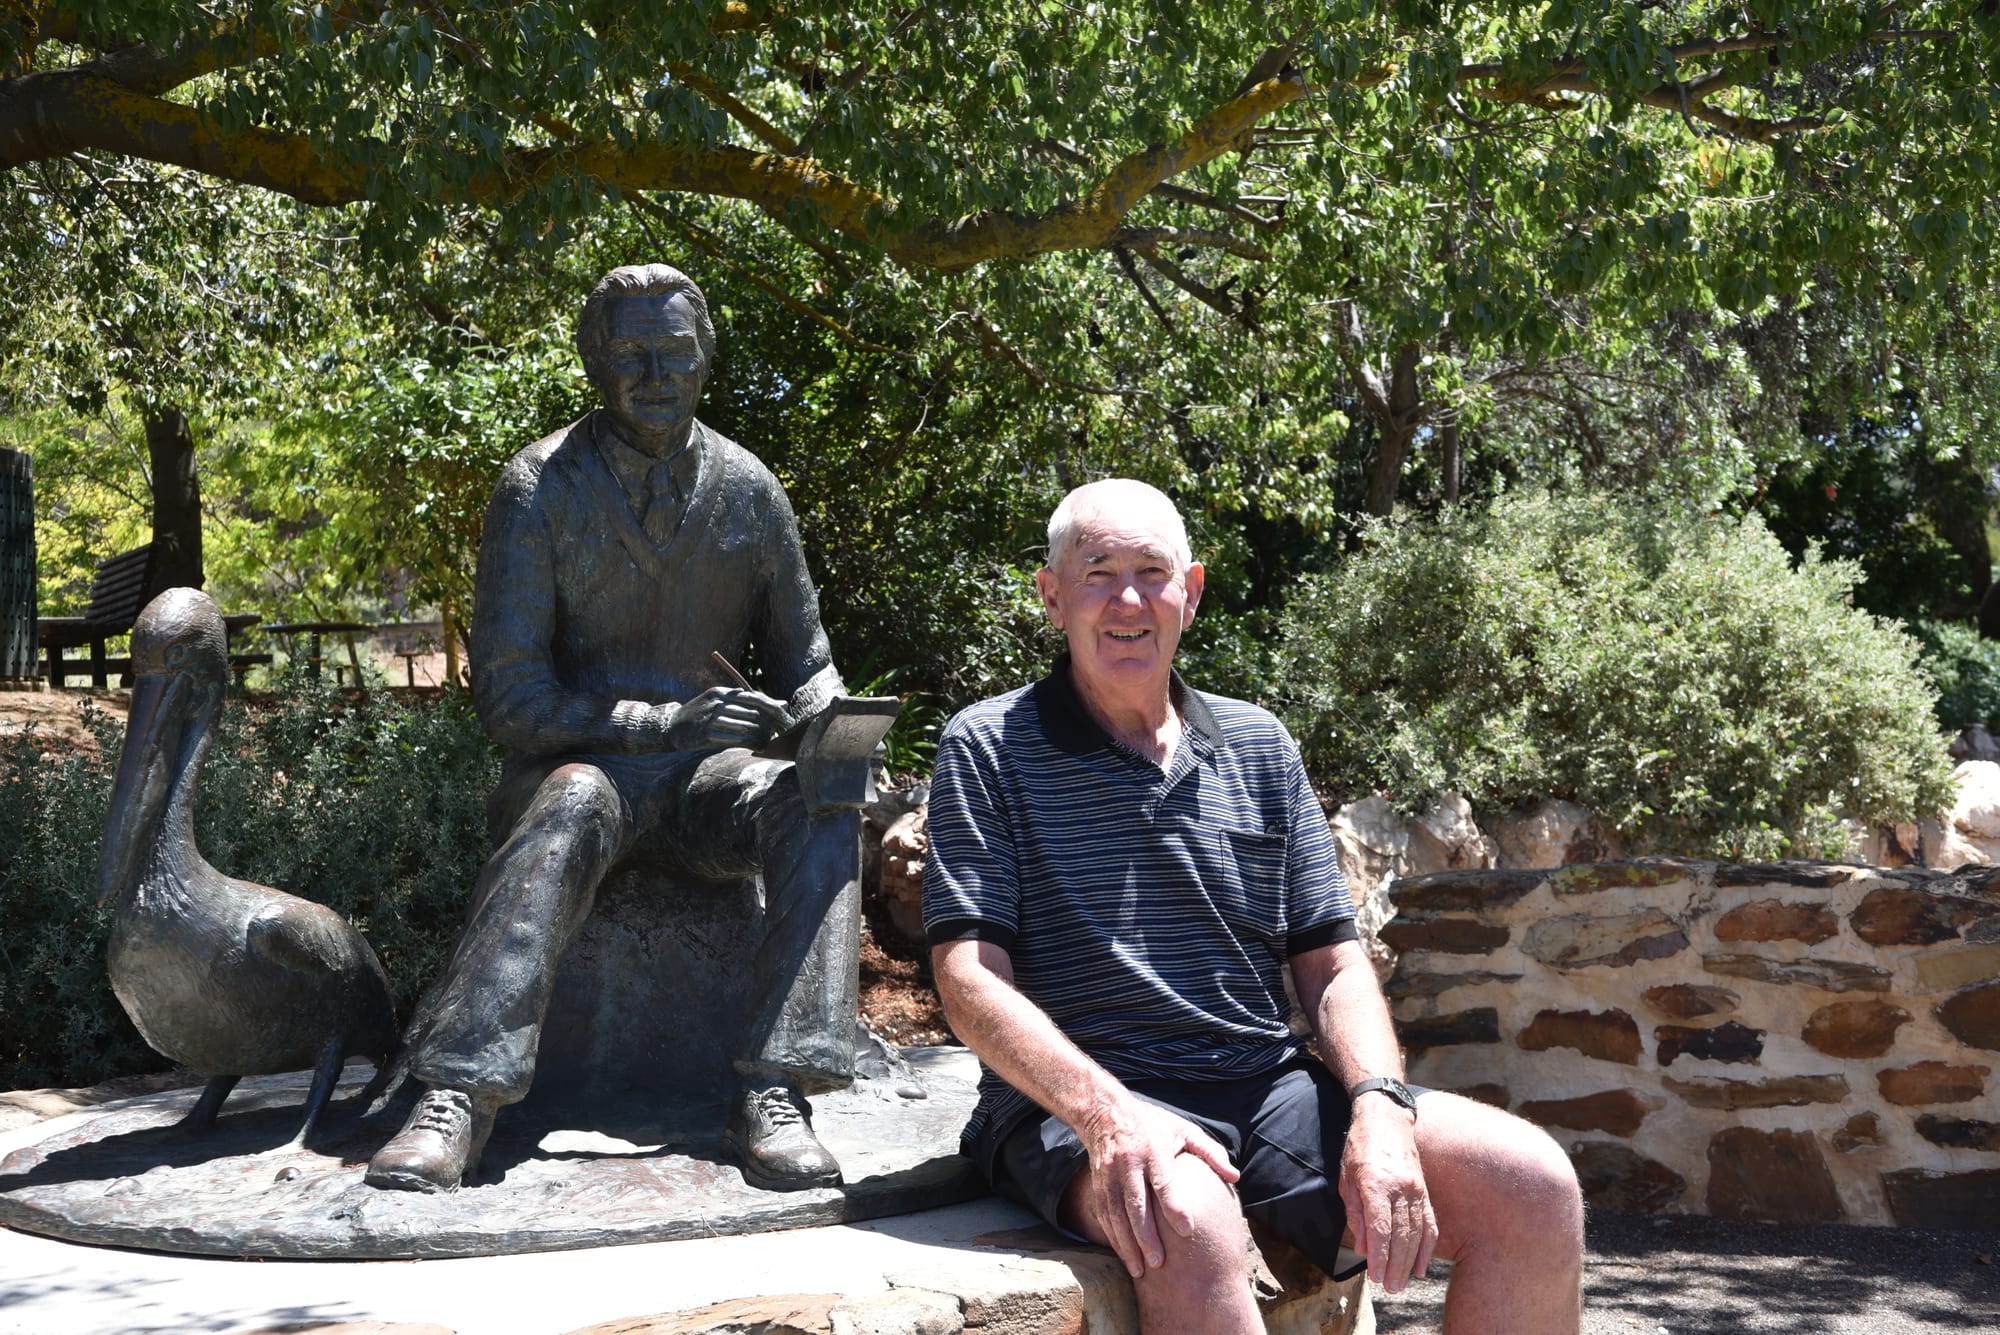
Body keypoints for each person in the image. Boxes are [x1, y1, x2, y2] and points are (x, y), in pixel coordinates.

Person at [923, 479, 1584, 1333]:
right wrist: (1108, 1114)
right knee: (1187, 1218)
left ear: (1190, 593)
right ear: (1052, 596)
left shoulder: (1259, 745)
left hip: (1261, 1085)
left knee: (1530, 1182)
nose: (1128, 599)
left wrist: (1380, 1107)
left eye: (1152, 571)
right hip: (1070, 1101)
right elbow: (969, 980)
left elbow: (1334, 964)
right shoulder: (989, 745)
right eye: (1098, 572)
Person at [366, 264, 860, 1194]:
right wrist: (657, 720)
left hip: (709, 788)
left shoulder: (752, 493)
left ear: (706, 355)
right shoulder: (539, 489)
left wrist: (823, 718)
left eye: (675, 351)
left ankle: (776, 1085)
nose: (656, 372)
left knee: (818, 801)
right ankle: (457, 1094)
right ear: (595, 360)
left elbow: (809, 663)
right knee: (575, 797)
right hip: (576, 771)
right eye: (632, 353)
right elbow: (509, 699)